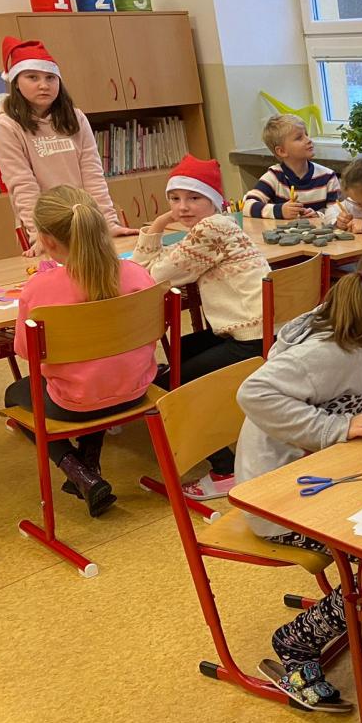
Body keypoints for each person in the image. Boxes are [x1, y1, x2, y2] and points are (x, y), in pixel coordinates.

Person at [236, 245, 362, 711]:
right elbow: (254, 392)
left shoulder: (359, 330)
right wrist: (334, 428)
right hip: (282, 502)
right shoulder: (329, 352)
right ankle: (296, 642)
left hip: (336, 482)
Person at [5, 186, 158, 516]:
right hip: (137, 391)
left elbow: (24, 351)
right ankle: (90, 461)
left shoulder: (38, 289)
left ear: (46, 241)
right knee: (99, 373)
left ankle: (78, 471)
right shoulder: (137, 273)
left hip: (74, 405)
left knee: (14, 393)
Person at [132, 154, 269, 500]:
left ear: (214, 200)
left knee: (171, 385)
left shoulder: (210, 231)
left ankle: (224, 469)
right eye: (174, 198)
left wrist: (156, 226)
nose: (183, 207)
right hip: (262, 330)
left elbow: (149, 276)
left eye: (194, 197)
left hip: (249, 339)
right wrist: (164, 228)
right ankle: (217, 419)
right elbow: (163, 268)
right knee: (185, 349)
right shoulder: (220, 225)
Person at [0, 37, 138, 255]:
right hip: (46, 228)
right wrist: (39, 235)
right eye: (32, 77)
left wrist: (108, 222)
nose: (44, 85)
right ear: (16, 82)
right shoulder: (5, 125)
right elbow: (22, 184)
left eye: (51, 77)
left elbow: (92, 174)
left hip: (86, 220)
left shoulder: (75, 117)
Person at [241, 114, 340, 219]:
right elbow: (246, 205)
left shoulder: (328, 177)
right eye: (299, 138)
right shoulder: (274, 177)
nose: (309, 140)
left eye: (306, 134)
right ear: (282, 151)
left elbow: (337, 213)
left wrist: (318, 215)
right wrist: (280, 211)